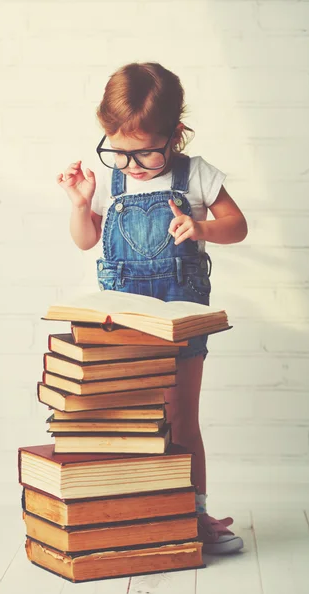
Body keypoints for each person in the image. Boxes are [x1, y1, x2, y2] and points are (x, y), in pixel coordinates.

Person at [57, 62, 248, 555]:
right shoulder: (109, 178)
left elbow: (238, 226)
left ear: (176, 134)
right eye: (120, 153)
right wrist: (81, 205)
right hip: (120, 323)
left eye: (147, 152)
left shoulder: (197, 174)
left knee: (182, 415)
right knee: (127, 417)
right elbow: (85, 242)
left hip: (181, 318)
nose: (134, 165)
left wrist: (202, 228)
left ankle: (195, 510)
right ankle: (135, 511)